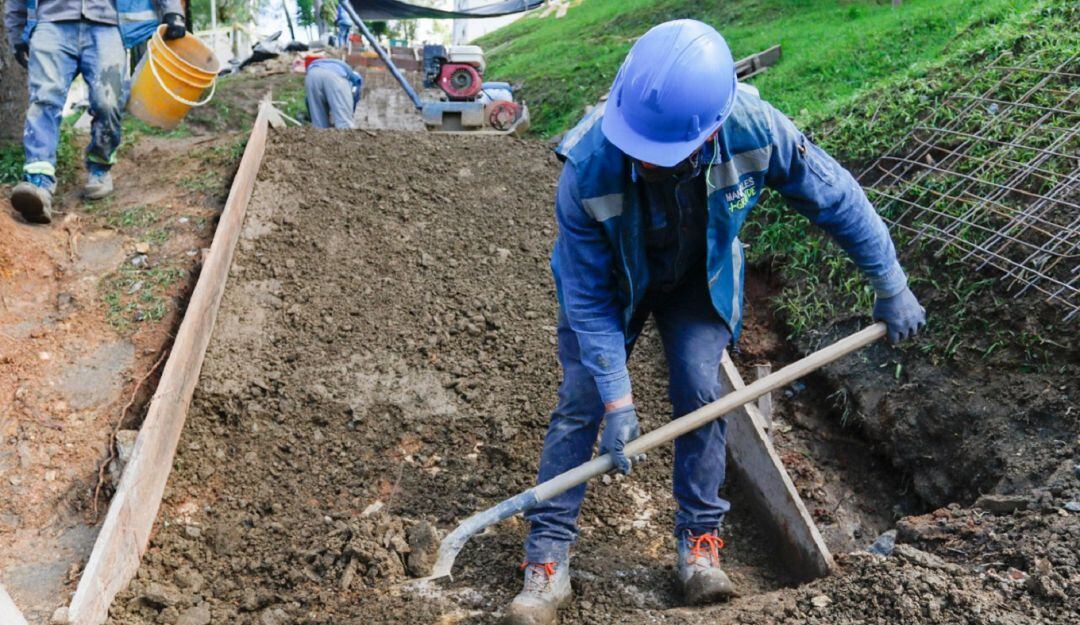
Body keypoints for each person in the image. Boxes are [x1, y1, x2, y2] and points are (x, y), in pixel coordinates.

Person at [503, 19, 926, 625]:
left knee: (703, 392)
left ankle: (699, 544)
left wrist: (892, 283)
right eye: (638, 153)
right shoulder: (589, 167)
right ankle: (547, 557)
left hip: (699, 281)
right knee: (582, 401)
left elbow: (836, 198)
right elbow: (589, 300)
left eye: (659, 158)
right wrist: (619, 401)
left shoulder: (756, 128)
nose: (643, 163)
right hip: (613, 288)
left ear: (708, 134)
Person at [5, 0, 186, 224]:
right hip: (51, 22)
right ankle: (38, 182)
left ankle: (100, 166)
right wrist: (16, 34)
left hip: (107, 24)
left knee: (107, 102)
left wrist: (173, 11)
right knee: (44, 100)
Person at [304, 58, 363, 130]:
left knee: (319, 126)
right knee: (344, 124)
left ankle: (320, 135)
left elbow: (308, 100)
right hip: (335, 76)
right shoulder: (356, 78)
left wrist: (312, 115)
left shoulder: (331, 65)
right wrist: (349, 112)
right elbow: (354, 96)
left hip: (312, 74)